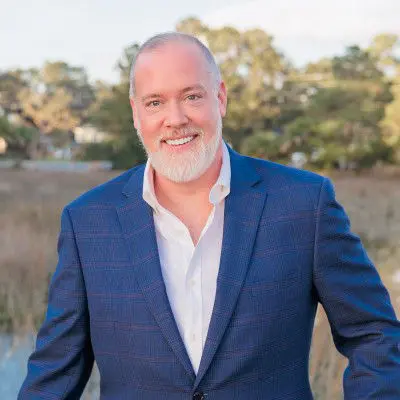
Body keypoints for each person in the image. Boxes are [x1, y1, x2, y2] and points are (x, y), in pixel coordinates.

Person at [19, 32, 400, 400]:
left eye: (191, 96)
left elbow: (373, 333)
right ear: (136, 113)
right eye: (155, 102)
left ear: (220, 98)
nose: (175, 119)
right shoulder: (87, 221)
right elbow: (55, 372)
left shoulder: (304, 204)